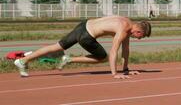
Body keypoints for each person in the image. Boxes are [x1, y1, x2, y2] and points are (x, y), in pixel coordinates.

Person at [14, 16, 151, 78]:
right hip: (87, 36)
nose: (139, 38)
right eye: (141, 36)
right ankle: (68, 59)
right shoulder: (124, 29)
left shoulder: (127, 21)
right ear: (139, 31)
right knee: (103, 58)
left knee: (56, 46)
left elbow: (125, 50)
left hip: (83, 25)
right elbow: (114, 50)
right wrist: (115, 74)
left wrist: (126, 69)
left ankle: (23, 61)